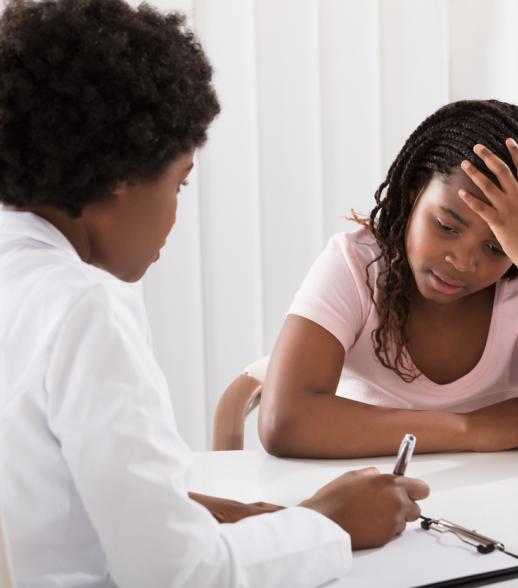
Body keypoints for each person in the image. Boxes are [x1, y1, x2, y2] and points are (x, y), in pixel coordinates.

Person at [0, 1, 430, 587]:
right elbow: (179, 575)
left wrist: (228, 515)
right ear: (123, 179)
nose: (176, 216)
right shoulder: (85, 309)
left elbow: (60, 495)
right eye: (180, 181)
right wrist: (328, 521)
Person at [258, 99, 518, 460]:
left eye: (496, 248)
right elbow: (284, 420)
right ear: (415, 190)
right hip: (366, 495)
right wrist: (467, 428)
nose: (461, 261)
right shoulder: (357, 266)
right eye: (446, 226)